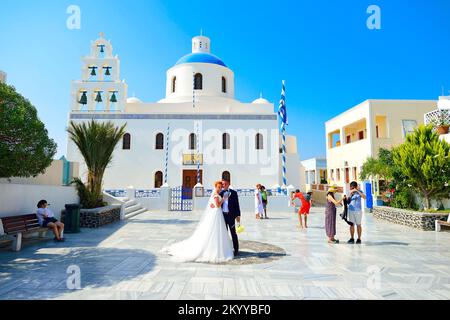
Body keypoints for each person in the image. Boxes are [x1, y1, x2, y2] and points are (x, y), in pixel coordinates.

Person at [161, 181, 234, 263]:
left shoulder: (217, 194)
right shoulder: (216, 195)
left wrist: (214, 204)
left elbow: (213, 204)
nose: (220, 188)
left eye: (220, 187)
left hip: (217, 213)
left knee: (216, 230)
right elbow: (217, 205)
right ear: (216, 187)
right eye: (218, 187)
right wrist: (223, 200)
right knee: (213, 230)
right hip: (216, 214)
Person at [220, 179, 242, 256]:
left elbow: (237, 205)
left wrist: (238, 215)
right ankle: (225, 249)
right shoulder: (220, 193)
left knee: (233, 233)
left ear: (229, 184)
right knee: (224, 234)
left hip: (231, 216)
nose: (224, 185)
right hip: (223, 216)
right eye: (223, 184)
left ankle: (236, 249)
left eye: (225, 184)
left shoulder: (234, 193)